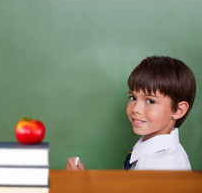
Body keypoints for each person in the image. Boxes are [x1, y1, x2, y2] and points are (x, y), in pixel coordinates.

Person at [66, 56, 196, 170]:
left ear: (178, 110)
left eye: (150, 101)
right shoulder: (147, 150)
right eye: (133, 98)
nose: (135, 109)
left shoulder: (166, 166)